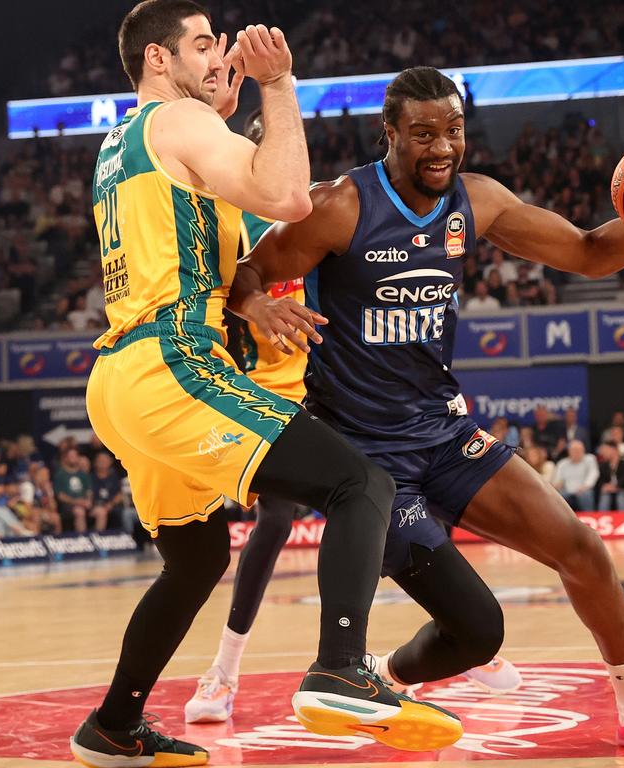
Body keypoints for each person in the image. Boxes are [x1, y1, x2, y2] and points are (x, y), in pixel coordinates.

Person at [231, 66, 624, 754]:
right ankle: (374, 673)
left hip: (443, 432)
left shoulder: (480, 202)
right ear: (390, 135)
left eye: (454, 130)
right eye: (423, 133)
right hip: (368, 464)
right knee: (478, 632)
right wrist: (257, 302)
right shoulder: (341, 205)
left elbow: (590, 253)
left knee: (582, 549)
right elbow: (250, 269)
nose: (442, 146)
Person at [70, 6, 461, 767]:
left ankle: (113, 724)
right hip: (173, 365)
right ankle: (343, 669)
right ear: (158, 57)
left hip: (120, 377)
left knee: (196, 559)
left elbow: (206, 202)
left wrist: (247, 295)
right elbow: (286, 197)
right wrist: (279, 85)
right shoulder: (176, 119)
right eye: (203, 45)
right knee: (361, 483)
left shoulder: (124, 140)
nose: (219, 57)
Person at [185, 112, 522, 725]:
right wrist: (253, 308)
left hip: (340, 391)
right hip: (271, 390)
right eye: (265, 153)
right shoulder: (239, 224)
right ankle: (225, 670)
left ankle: (461, 630)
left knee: (413, 490)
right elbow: (229, 292)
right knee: (275, 521)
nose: (280, 164)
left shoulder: (318, 207)